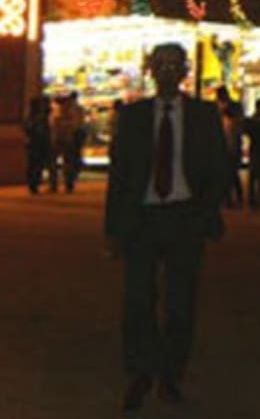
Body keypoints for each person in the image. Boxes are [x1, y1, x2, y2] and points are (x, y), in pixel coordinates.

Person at [103, 42, 228, 410]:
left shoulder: (204, 116)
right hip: (142, 219)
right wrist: (112, 229)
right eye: (162, 65)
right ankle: (141, 372)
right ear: (151, 70)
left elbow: (220, 167)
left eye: (175, 65)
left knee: (180, 302)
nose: (169, 71)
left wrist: (204, 212)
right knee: (139, 299)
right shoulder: (134, 116)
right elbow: (120, 176)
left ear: (185, 71)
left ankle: (171, 374)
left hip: (183, 218)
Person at [214, 86, 244, 208]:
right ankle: (230, 198)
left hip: (231, 143)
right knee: (228, 173)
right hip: (226, 144)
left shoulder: (228, 109)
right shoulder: (221, 109)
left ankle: (234, 197)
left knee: (231, 173)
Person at [22, 94, 52, 194]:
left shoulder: (33, 117)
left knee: (35, 164)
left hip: (36, 143)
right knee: (36, 165)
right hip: (38, 143)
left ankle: (34, 184)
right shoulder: (37, 118)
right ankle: (34, 184)